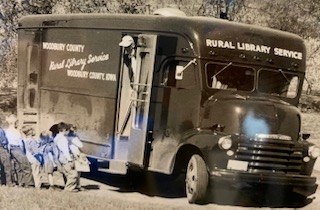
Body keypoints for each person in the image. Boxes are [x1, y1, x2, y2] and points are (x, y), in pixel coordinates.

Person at [5, 114, 33, 187]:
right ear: (15, 122)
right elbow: (20, 143)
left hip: (10, 149)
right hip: (16, 148)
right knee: (26, 166)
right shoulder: (16, 131)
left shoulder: (6, 131)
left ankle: (21, 183)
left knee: (18, 166)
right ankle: (28, 184)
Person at [54, 122, 79, 192]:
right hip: (65, 158)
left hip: (60, 158)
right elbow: (65, 150)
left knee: (66, 174)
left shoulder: (56, 137)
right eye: (68, 130)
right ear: (65, 130)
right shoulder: (63, 139)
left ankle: (68, 187)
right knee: (73, 174)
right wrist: (69, 159)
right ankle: (68, 189)